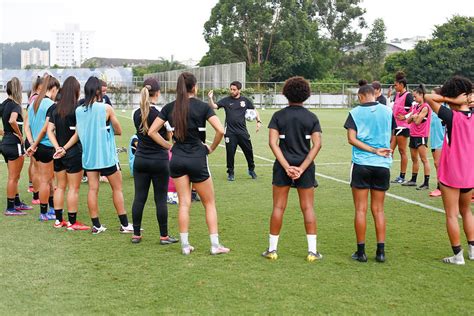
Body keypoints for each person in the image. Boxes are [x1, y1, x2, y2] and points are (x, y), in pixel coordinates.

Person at [148, 72, 229, 255]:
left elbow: (152, 131)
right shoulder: (202, 107)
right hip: (197, 158)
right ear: (195, 87)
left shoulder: (169, 107)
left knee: (184, 203)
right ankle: (215, 245)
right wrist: (211, 148)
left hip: (177, 159)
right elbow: (220, 131)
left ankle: (185, 246)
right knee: (209, 203)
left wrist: (170, 147)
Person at [262, 76, 323, 262]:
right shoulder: (312, 117)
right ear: (307, 94)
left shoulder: (278, 116)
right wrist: (302, 168)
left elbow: (273, 143)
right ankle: (312, 252)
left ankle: (272, 250)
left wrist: (287, 166)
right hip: (305, 168)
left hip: (282, 168)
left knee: (278, 207)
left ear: (285, 93)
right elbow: (317, 144)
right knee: (308, 207)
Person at [424, 76, 474, 265]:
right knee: (467, 211)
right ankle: (472, 250)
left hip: (452, 173)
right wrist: (465, 99)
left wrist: (450, 100)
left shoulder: (451, 116)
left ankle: (458, 255)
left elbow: (429, 98)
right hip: (469, 173)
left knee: (452, 214)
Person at [344, 83, 395, 263]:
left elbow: (351, 139)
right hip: (383, 165)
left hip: (361, 164)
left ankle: (361, 251)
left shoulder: (355, 112)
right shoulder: (388, 111)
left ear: (360, 96)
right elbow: (393, 134)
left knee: (360, 209)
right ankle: (380, 252)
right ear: (374, 94)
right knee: (379, 209)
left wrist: (373, 150)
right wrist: (386, 149)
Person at [75, 76, 132, 234]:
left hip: (89, 157)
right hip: (106, 156)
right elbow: (119, 130)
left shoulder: (79, 111)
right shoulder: (106, 108)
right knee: (117, 189)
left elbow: (79, 133)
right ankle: (125, 225)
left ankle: (96, 225)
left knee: (93, 189)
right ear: (98, 91)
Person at [130, 78, 178, 244]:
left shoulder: (136, 113)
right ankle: (164, 236)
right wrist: (168, 146)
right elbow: (169, 136)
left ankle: (136, 234)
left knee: (139, 197)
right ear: (157, 93)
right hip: (159, 161)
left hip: (141, 159)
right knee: (160, 198)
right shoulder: (159, 114)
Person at [47, 76, 90, 231]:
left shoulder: (54, 108)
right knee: (73, 188)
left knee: (60, 187)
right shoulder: (77, 109)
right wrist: (64, 148)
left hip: (57, 153)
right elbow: (77, 134)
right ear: (77, 91)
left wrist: (58, 147)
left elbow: (49, 131)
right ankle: (72, 223)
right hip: (72, 153)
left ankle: (59, 221)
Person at [208, 81, 261, 181]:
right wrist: (210, 98)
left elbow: (254, 110)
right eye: (231, 89)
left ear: (239, 90)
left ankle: (251, 170)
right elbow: (214, 106)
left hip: (242, 132)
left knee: (249, 151)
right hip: (230, 132)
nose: (232, 91)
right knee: (230, 153)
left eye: (234, 90)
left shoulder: (245, 101)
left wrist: (258, 121)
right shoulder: (226, 100)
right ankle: (231, 173)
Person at [25, 75, 60, 221]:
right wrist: (34, 144)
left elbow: (26, 126)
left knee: (47, 179)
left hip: (36, 146)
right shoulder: (51, 105)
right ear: (53, 89)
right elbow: (46, 129)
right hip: (45, 146)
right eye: (57, 90)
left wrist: (31, 143)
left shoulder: (33, 102)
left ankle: (50, 209)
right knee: (46, 180)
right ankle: (44, 212)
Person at [2, 78, 32, 215]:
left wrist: (4, 132)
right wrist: (19, 135)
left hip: (4, 143)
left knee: (14, 176)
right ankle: (10, 208)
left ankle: (17, 202)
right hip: (13, 144)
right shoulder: (15, 105)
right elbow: (12, 120)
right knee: (13, 177)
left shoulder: (3, 104)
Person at [403, 85, 431, 190]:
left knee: (424, 159)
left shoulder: (425, 107)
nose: (414, 99)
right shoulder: (416, 106)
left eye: (415, 96)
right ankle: (413, 180)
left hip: (421, 135)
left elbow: (418, 121)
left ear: (421, 95)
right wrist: (414, 117)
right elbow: (408, 121)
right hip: (413, 134)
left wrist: (415, 117)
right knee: (414, 158)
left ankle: (426, 183)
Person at [388, 71, 413, 184]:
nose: (395, 87)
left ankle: (402, 176)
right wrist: (388, 97)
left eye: (396, 85)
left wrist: (406, 116)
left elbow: (414, 110)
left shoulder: (408, 96)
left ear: (402, 85)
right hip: (395, 127)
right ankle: (385, 173)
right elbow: (392, 107)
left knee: (402, 151)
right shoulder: (397, 95)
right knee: (390, 150)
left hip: (403, 127)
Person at [27, 76, 44, 203]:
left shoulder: (34, 97)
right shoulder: (36, 98)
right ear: (39, 86)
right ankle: (36, 194)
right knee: (36, 167)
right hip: (34, 137)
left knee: (35, 166)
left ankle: (34, 189)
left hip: (33, 137)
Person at [428, 87, 446, 197]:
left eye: (433, 95)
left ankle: (440, 188)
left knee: (438, 164)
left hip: (442, 141)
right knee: (437, 164)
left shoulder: (444, 108)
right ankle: (441, 186)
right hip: (434, 142)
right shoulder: (434, 109)